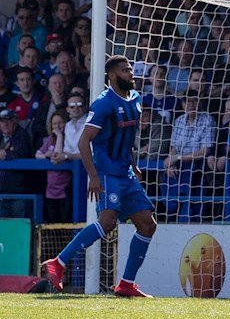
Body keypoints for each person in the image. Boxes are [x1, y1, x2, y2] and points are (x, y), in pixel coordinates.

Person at [42, 56, 157, 297]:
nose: (131, 74)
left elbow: (126, 138)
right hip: (107, 173)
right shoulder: (103, 104)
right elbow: (85, 142)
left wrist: (133, 163)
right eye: (126, 71)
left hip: (125, 173)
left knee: (147, 224)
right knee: (107, 222)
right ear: (113, 76)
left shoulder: (135, 99)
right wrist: (93, 176)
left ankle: (126, 283)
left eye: (130, 69)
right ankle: (58, 263)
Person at [164, 90, 215, 222]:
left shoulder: (207, 120)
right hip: (179, 163)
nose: (191, 104)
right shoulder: (179, 120)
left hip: (196, 163)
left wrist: (177, 158)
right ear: (183, 104)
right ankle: (169, 211)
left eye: (195, 100)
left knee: (189, 170)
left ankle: (185, 214)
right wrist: (171, 162)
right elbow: (173, 148)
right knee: (166, 169)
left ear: (200, 102)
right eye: (187, 101)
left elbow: (205, 151)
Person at [36, 109, 70, 223]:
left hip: (64, 189)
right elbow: (37, 154)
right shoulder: (50, 140)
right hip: (51, 190)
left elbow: (57, 155)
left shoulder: (69, 139)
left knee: (64, 222)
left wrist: (60, 136)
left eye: (60, 122)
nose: (57, 126)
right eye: (54, 123)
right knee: (52, 222)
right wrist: (46, 155)